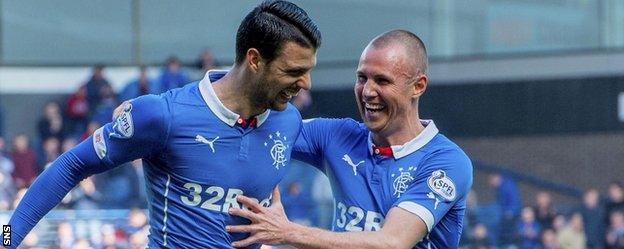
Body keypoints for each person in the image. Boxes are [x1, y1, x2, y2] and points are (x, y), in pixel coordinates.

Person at [8, 1, 321, 248]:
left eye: (308, 71)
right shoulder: (163, 116)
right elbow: (71, 166)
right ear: (254, 60)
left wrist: (290, 232)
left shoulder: (289, 121)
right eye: (294, 71)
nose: (305, 83)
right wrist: (6, 240)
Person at [227, 30, 473, 248]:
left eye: (382, 80)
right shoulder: (337, 136)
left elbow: (392, 243)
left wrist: (287, 232)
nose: (367, 91)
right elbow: (258, 127)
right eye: (362, 78)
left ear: (418, 86)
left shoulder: (446, 163)